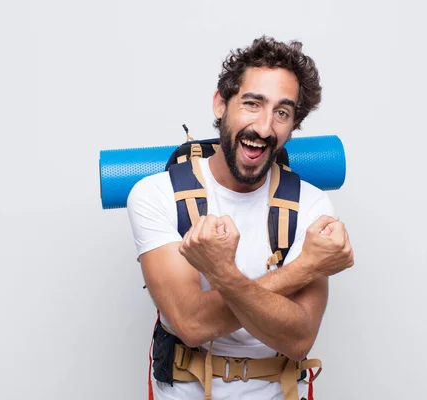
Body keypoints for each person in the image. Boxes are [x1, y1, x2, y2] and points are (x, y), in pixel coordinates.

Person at [126, 36, 354, 400]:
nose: (264, 128)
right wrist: (302, 268)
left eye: (282, 112)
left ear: (294, 125)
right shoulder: (157, 195)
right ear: (220, 104)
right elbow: (191, 324)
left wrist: (220, 275)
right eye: (252, 104)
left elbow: (298, 340)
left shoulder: (311, 205)